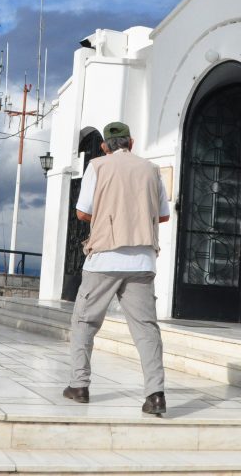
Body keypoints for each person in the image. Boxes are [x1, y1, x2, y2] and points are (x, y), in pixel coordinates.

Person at [63, 121, 171, 415]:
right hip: (142, 259)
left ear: (104, 146)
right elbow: (163, 216)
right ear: (131, 143)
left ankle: (79, 385)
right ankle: (156, 395)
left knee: (85, 322)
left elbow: (82, 211)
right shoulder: (151, 169)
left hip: (105, 258)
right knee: (146, 329)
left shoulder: (97, 167)